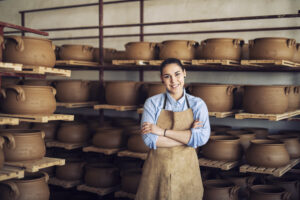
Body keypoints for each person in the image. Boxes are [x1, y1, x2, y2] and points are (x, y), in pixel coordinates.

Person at [135, 58, 211, 200]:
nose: (173, 80)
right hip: (157, 170)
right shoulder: (152, 103)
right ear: (161, 79)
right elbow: (150, 140)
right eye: (167, 76)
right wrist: (188, 138)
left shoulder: (198, 104)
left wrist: (162, 131)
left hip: (187, 170)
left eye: (177, 74)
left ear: (184, 73)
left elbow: (201, 138)